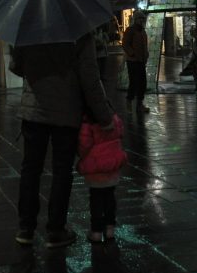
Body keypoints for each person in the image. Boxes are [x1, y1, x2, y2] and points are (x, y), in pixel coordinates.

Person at [11, 33, 115, 249]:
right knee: (61, 171)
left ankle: (25, 228)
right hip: (66, 111)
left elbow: (16, 66)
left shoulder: (29, 30)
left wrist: (39, 71)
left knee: (31, 169)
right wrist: (105, 116)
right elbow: (90, 77)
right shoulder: (79, 32)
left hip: (34, 109)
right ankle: (55, 230)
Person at [77, 110, 126, 243]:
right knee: (110, 197)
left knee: (96, 199)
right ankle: (110, 229)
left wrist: (81, 158)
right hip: (111, 167)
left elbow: (84, 145)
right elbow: (121, 134)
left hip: (95, 168)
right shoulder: (114, 118)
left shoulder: (88, 122)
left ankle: (96, 232)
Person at [121, 14, 150, 113]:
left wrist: (146, 55)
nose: (142, 20)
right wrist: (132, 53)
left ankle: (139, 104)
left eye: (143, 18)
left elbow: (145, 45)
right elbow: (125, 43)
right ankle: (129, 101)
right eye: (140, 18)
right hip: (133, 61)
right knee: (133, 82)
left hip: (141, 61)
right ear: (135, 19)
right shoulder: (130, 30)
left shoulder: (143, 31)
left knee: (142, 83)